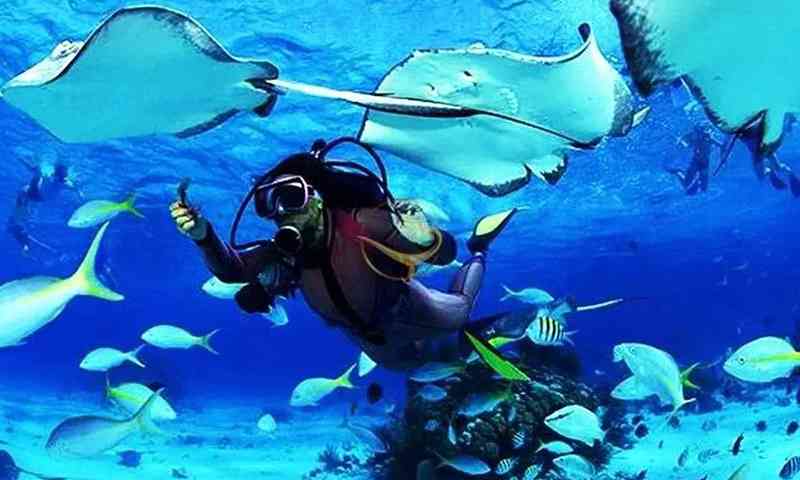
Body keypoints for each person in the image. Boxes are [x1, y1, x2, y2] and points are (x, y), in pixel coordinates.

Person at [170, 138, 518, 371]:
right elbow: (232, 270)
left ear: (316, 197)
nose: (284, 214)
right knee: (406, 366)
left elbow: (443, 254)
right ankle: (445, 361)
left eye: (291, 198)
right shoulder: (284, 253)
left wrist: (426, 238)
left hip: (410, 310)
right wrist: (204, 236)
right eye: (271, 207)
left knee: (460, 312)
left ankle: (480, 250)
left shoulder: (361, 224)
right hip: (367, 338)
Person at [666, 125, 722, 195]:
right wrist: (681, 142)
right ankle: (678, 172)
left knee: (703, 187)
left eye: (698, 133)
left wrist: (722, 147)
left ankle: (681, 173)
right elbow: (686, 144)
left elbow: (717, 143)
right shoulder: (694, 137)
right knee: (691, 184)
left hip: (703, 162)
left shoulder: (707, 137)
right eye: (696, 133)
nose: (697, 135)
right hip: (696, 161)